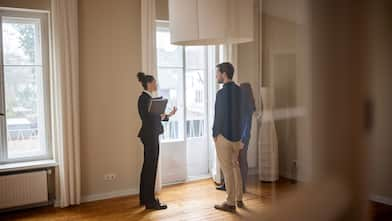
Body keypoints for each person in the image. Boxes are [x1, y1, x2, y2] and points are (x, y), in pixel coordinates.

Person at [137, 72, 177, 210]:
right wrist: (158, 113)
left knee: (148, 167)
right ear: (148, 83)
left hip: (150, 135)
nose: (157, 85)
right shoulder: (144, 99)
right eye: (155, 82)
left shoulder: (147, 99)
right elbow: (148, 118)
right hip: (150, 136)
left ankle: (145, 198)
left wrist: (168, 115)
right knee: (150, 168)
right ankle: (150, 202)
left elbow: (154, 117)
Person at [212, 62, 244, 212]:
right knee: (235, 166)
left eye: (217, 73)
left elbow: (218, 116)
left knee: (227, 169)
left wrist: (214, 134)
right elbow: (244, 115)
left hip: (223, 136)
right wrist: (241, 136)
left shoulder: (221, 93)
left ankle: (230, 202)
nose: (216, 76)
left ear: (224, 74)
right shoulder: (240, 91)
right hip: (237, 137)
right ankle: (239, 198)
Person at [216, 83, 256, 193]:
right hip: (237, 136)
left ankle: (241, 187)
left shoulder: (247, 106)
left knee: (241, 161)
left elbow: (246, 125)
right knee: (233, 161)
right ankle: (230, 185)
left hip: (242, 138)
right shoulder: (242, 103)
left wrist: (242, 140)